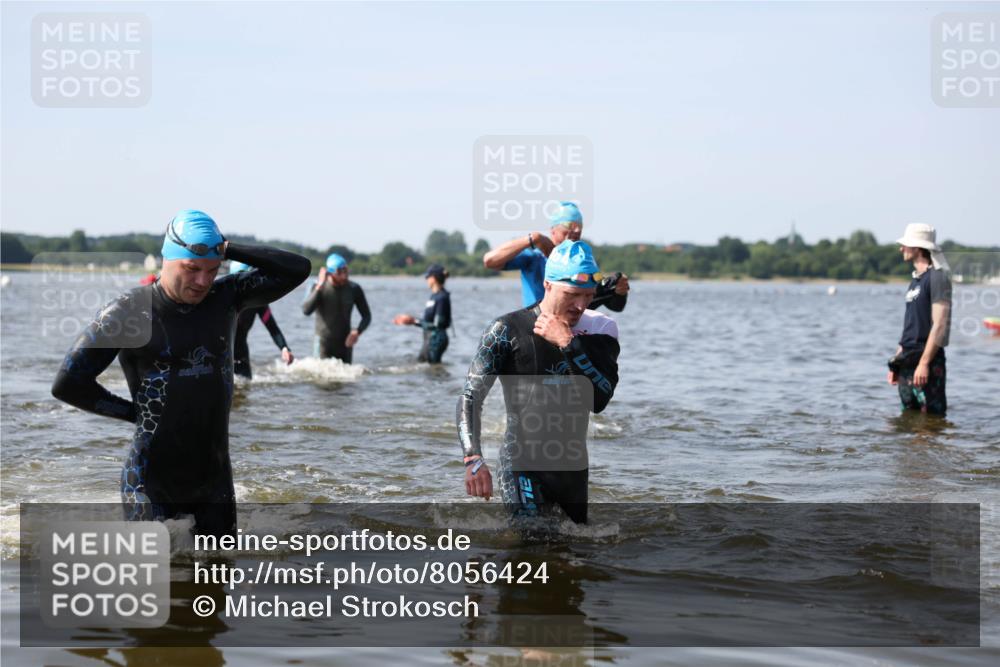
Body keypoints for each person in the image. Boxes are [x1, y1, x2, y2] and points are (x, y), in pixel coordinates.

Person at [51, 210, 311, 536]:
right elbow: (68, 385)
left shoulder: (227, 297)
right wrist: (135, 414)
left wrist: (227, 248)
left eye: (212, 271)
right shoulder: (128, 312)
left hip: (214, 480)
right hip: (150, 481)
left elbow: (298, 269)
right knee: (153, 583)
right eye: (192, 269)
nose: (203, 281)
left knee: (217, 579)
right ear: (168, 259)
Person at [457, 240, 620, 524]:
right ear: (547, 284)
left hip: (572, 469)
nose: (581, 305)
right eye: (572, 294)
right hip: (522, 463)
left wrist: (568, 343)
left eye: (587, 295)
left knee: (573, 548)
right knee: (533, 540)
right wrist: (473, 458)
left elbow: (599, 400)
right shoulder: (506, 329)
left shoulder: (601, 330)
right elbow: (471, 396)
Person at [482, 201, 630, 311]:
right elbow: (490, 261)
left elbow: (616, 307)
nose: (575, 233)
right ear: (553, 230)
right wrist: (533, 238)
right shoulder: (534, 257)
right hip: (538, 322)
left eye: (579, 230)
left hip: (573, 324)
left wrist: (619, 292)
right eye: (569, 228)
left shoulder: (581, 259)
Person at [887, 223, 952, 415]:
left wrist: (924, 364)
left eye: (905, 245)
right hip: (908, 360)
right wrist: (897, 363)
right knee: (908, 418)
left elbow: (939, 325)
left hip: (927, 361)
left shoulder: (938, 278)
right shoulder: (915, 281)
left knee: (931, 421)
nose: (901, 249)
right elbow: (910, 325)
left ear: (917, 248)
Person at [301, 253, 371, 363]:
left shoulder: (354, 288)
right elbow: (306, 310)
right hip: (323, 343)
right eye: (339, 272)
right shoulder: (317, 287)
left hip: (345, 343)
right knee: (321, 377)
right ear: (330, 273)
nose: (344, 275)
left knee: (346, 377)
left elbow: (367, 316)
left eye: (346, 271)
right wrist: (319, 286)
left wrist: (357, 332)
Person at [229, 261, 294, 379]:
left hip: (241, 356)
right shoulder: (220, 299)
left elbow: (272, 328)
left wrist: (284, 348)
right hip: (220, 356)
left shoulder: (258, 302)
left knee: (245, 387)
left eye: (248, 281)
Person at [393, 264, 452, 363]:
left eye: (427, 277)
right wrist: (410, 320)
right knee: (425, 366)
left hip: (436, 340)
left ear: (433, 278)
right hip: (429, 338)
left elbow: (438, 325)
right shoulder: (434, 296)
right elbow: (427, 321)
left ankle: (440, 377)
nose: (426, 280)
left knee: (431, 369)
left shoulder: (442, 298)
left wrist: (413, 321)